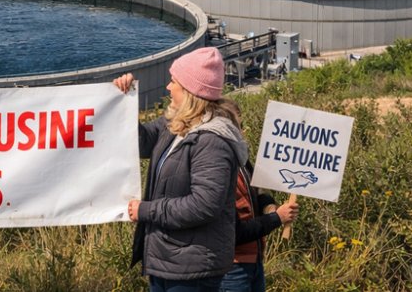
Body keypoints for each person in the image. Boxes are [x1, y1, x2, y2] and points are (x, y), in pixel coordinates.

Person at [113, 46, 246, 292]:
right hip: (170, 260)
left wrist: (146, 210)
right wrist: (124, 101)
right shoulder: (175, 124)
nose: (168, 87)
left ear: (190, 92)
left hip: (192, 268)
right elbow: (140, 142)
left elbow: (203, 205)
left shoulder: (212, 141)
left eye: (174, 81)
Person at [221, 157, 298, 292]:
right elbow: (234, 232)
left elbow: (258, 193)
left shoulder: (241, 159)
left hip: (255, 262)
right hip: (232, 268)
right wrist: (276, 218)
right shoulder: (218, 168)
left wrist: (271, 209)